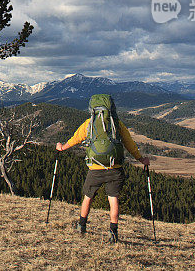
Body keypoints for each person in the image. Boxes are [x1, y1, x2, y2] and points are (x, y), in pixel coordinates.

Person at [56, 100, 149, 242]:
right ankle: (113, 232)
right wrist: (141, 159)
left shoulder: (89, 123)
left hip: (95, 167)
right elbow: (129, 144)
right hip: (115, 167)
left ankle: (81, 226)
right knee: (113, 199)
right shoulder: (117, 124)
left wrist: (62, 147)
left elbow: (76, 139)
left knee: (88, 197)